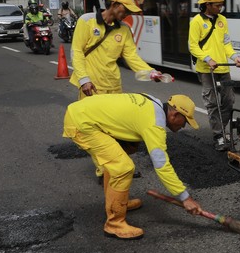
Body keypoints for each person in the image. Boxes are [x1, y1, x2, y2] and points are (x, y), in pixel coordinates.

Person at [62, 93, 204, 239]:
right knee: (123, 168)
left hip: (83, 114)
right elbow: (161, 164)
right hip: (83, 124)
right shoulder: (155, 123)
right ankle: (114, 224)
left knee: (124, 152)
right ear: (174, 115)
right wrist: (185, 198)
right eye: (185, 121)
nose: (183, 126)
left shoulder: (153, 102)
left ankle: (118, 203)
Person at [70, 0, 161, 181]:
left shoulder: (124, 30)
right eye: (125, 9)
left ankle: (119, 164)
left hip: (113, 85)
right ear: (114, 4)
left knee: (114, 128)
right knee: (96, 130)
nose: (127, 13)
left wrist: (150, 72)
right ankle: (105, 170)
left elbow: (131, 56)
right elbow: (77, 51)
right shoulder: (86, 21)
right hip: (91, 86)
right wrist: (83, 79)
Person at [188, 0, 240, 150]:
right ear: (208, 5)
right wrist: (208, 59)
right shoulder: (197, 21)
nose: (220, 8)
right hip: (206, 69)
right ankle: (219, 135)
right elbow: (192, 46)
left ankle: (220, 128)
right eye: (217, 5)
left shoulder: (223, 21)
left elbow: (226, 43)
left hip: (223, 68)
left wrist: (235, 57)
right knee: (212, 102)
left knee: (229, 100)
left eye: (221, 5)